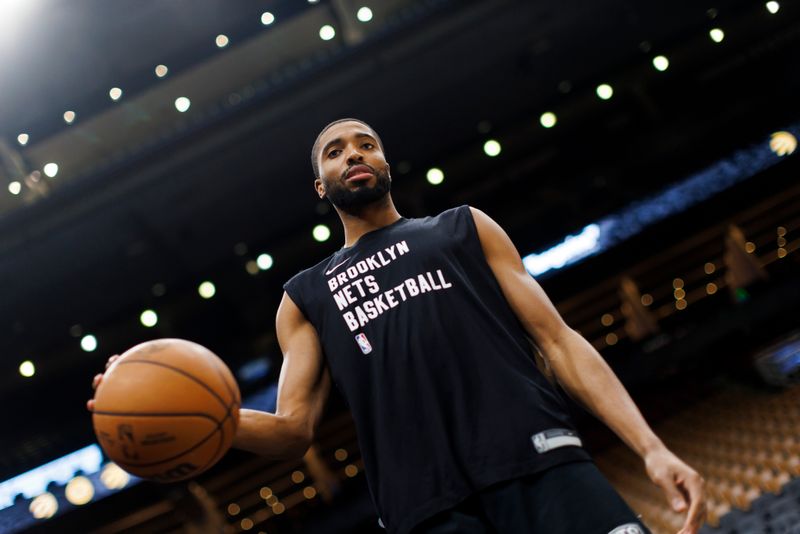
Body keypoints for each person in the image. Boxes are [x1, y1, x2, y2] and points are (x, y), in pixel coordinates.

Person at [89, 118, 705, 534]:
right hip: (427, 510)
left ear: (384, 161)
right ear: (320, 186)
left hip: (541, 463)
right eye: (336, 152)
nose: (353, 154)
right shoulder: (304, 297)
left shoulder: (463, 227)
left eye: (365, 144)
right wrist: (191, 415)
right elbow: (291, 430)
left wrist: (649, 448)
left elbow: (559, 342)